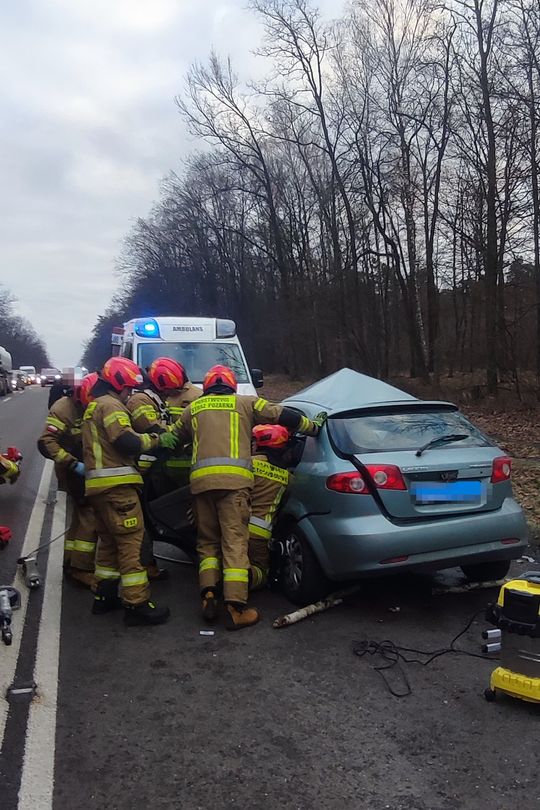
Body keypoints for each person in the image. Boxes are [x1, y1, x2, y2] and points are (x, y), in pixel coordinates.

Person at [170, 364, 325, 630]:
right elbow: (281, 415)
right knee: (234, 544)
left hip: (200, 487)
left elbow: (172, 440)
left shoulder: (192, 409)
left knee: (207, 544)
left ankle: (209, 594)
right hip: (234, 486)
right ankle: (235, 608)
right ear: (232, 386)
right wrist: (312, 426)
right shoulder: (245, 403)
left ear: (207, 387)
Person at [82, 356, 177, 626]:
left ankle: (104, 596)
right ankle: (137, 605)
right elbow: (125, 441)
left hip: (98, 489)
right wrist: (156, 440)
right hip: (118, 489)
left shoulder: (94, 406)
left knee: (109, 545)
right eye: (127, 388)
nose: (129, 394)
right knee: (130, 546)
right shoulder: (112, 405)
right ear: (119, 384)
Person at [37, 372, 99, 588]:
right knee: (89, 516)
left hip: (85, 465)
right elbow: (46, 442)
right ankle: (81, 568)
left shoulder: (91, 405)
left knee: (80, 517)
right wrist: (72, 464)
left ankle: (70, 561)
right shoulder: (63, 409)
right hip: (72, 470)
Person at [249, 425, 293, 590]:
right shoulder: (287, 476)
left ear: (260, 444)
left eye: (253, 442)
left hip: (234, 526)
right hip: (261, 534)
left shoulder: (247, 464)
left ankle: (226, 579)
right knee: (261, 572)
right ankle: (244, 578)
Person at [147, 357, 201, 487]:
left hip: (186, 462)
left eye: (170, 389)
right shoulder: (158, 397)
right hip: (163, 462)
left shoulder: (197, 396)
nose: (168, 392)